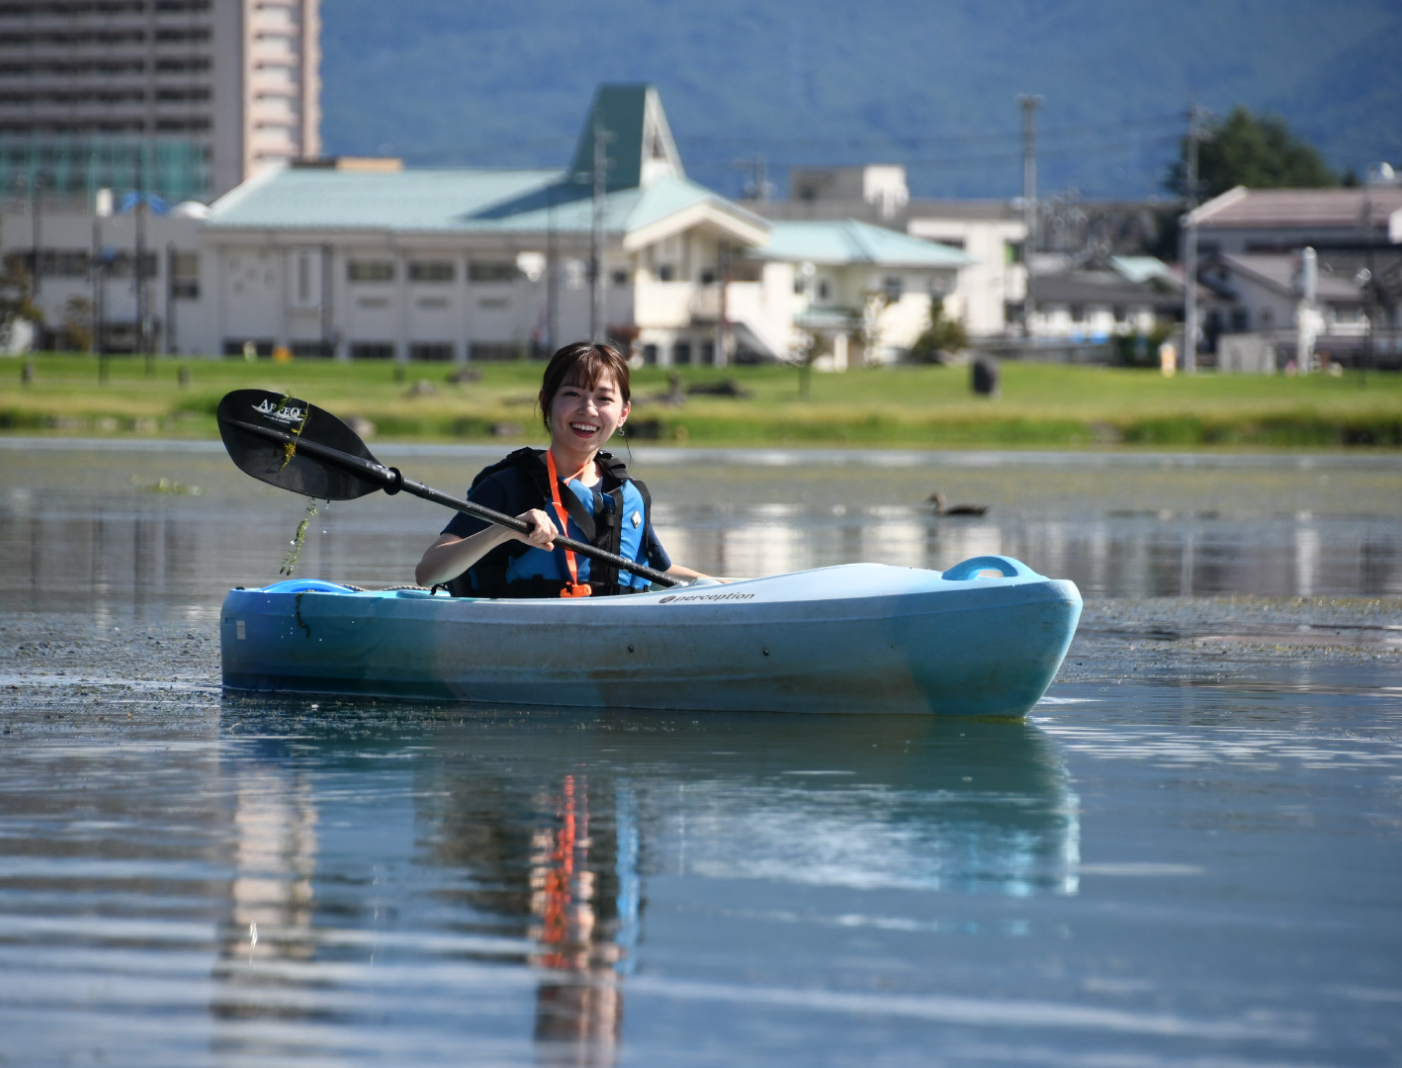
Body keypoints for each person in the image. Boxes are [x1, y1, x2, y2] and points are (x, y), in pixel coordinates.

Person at [415, 341, 706, 597]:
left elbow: (660, 574)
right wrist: (504, 530)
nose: (588, 409)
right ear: (546, 402)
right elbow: (428, 572)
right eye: (572, 394)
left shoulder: (629, 496)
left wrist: (730, 588)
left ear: (623, 414)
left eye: (604, 398)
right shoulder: (509, 486)